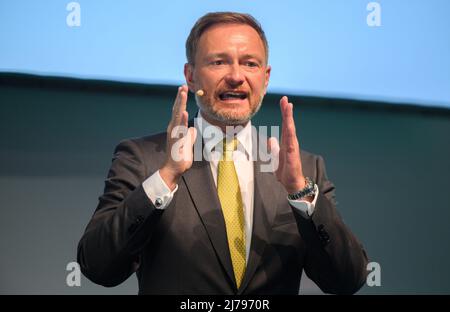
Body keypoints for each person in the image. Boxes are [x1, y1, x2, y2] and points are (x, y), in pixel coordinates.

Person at [77, 12, 368, 295]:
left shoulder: (304, 170)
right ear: (190, 76)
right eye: (219, 62)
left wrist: (299, 191)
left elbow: (346, 280)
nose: (236, 76)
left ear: (265, 79)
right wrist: (166, 176)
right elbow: (99, 267)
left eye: (250, 64)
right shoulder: (144, 158)